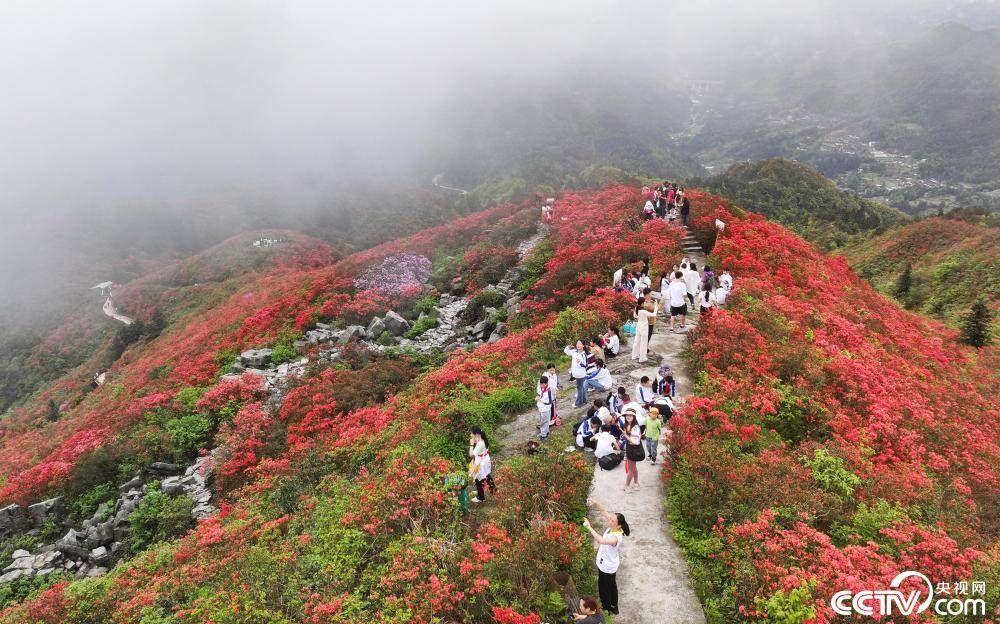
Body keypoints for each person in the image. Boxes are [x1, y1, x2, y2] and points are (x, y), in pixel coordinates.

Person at [583, 498, 629, 615]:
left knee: (604, 588)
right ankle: (614, 606)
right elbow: (603, 511)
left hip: (607, 566)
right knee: (612, 585)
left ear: (619, 525)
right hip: (610, 563)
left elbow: (601, 541)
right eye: (611, 518)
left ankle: (607, 607)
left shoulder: (616, 537)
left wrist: (589, 527)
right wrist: (594, 502)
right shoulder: (613, 526)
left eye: (612, 520)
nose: (610, 520)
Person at [468, 427, 495, 502]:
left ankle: (481, 497)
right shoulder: (483, 440)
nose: (471, 435)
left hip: (480, 463)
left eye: (471, 433)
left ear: (476, 434)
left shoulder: (480, 444)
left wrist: (471, 444)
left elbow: (471, 455)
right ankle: (493, 490)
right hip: (485, 460)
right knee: (486, 475)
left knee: (477, 479)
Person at [630, 297, 658, 363]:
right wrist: (656, 307)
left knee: (636, 341)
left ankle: (634, 356)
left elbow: (635, 316)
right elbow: (653, 315)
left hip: (638, 326)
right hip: (644, 328)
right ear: (642, 303)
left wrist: (642, 317)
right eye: (644, 302)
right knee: (644, 342)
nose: (645, 303)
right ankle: (642, 358)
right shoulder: (643, 311)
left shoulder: (636, 308)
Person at [621, 410, 644, 492]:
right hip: (630, 449)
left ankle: (627, 485)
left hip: (634, 450)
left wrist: (625, 435)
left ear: (634, 417)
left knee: (630, 469)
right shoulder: (627, 425)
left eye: (630, 415)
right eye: (627, 415)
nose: (628, 416)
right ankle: (636, 483)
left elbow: (635, 441)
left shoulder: (635, 427)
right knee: (633, 468)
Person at [565, 340, 590, 408]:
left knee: (580, 388)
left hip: (581, 374)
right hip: (575, 374)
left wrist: (580, 363)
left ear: (583, 345)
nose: (578, 345)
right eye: (577, 343)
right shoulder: (574, 352)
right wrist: (568, 347)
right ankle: (584, 400)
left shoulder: (584, 355)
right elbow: (566, 351)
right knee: (581, 388)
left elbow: (585, 365)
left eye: (580, 344)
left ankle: (578, 403)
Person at [536, 375, 555, 440]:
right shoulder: (542, 387)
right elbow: (539, 391)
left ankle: (543, 435)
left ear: (546, 383)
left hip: (545, 408)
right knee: (545, 421)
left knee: (543, 422)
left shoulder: (548, 391)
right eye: (540, 384)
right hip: (541, 407)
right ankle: (546, 432)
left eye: (542, 384)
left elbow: (550, 401)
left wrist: (540, 400)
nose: (541, 385)